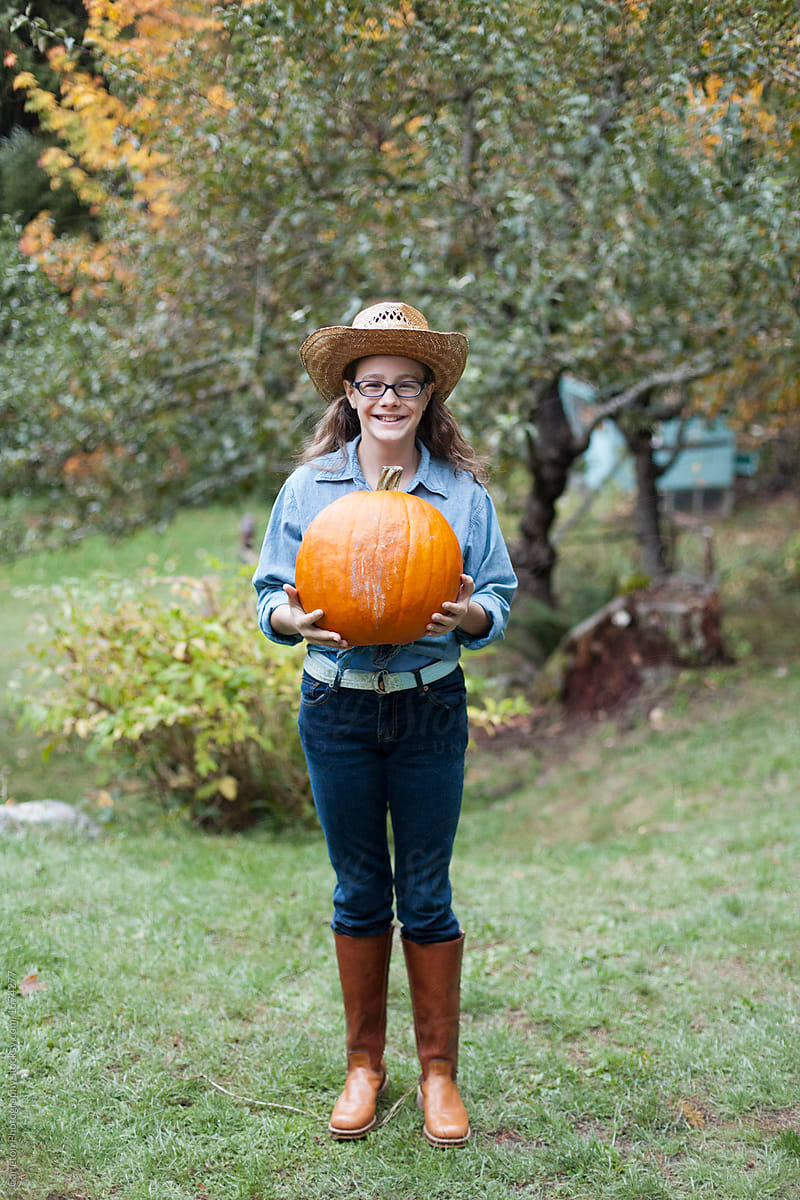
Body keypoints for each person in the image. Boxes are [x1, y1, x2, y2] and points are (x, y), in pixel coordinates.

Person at [253, 301, 517, 1148]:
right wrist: (290, 622)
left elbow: (500, 598)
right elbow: (268, 593)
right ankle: (364, 1066)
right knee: (360, 889)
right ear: (349, 392)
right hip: (334, 706)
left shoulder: (462, 493)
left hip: (429, 703)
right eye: (373, 385)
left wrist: (468, 617)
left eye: (406, 385)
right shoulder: (310, 488)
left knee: (428, 894)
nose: (389, 399)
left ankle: (439, 1073)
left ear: (429, 393)